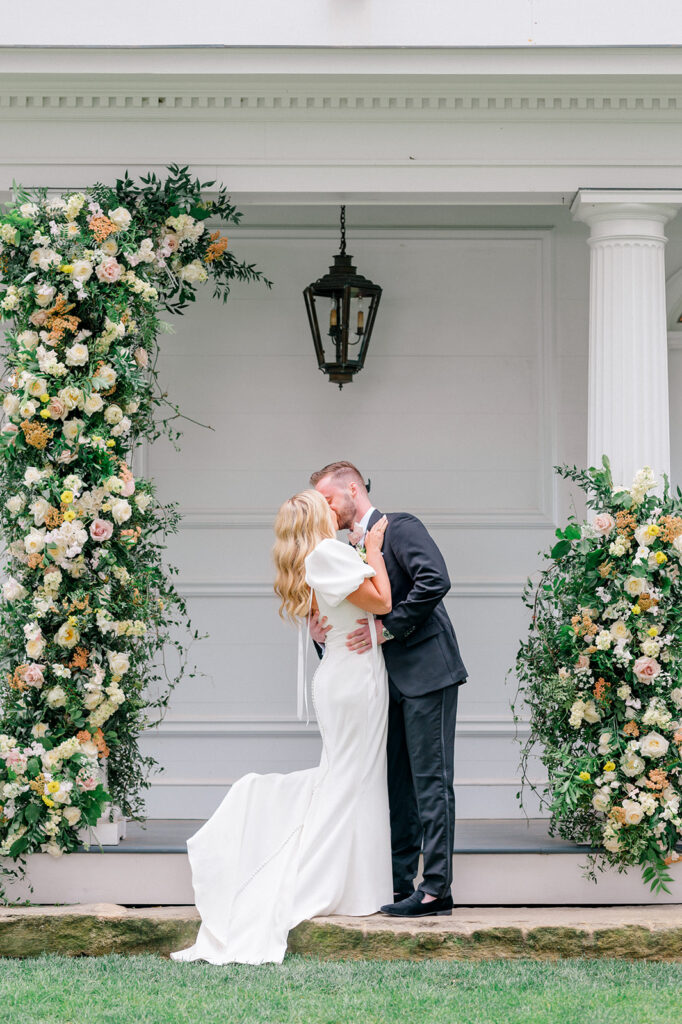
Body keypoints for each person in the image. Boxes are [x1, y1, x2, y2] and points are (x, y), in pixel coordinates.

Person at [170, 489, 394, 965]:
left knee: (353, 779)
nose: (336, 508)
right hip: (354, 679)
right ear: (317, 517)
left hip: (349, 674)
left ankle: (360, 889)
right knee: (348, 780)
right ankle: (316, 881)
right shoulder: (329, 554)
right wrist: (373, 548)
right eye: (326, 505)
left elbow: (335, 612)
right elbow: (381, 601)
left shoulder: (317, 559)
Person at [310, 461, 467, 918]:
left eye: (328, 499)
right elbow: (351, 622)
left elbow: (434, 580)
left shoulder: (399, 527)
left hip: (426, 675)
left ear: (353, 489)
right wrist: (323, 635)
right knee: (396, 788)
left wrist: (388, 629)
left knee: (430, 783)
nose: (325, 508)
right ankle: (399, 884)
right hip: (380, 687)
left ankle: (437, 889)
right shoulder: (340, 550)